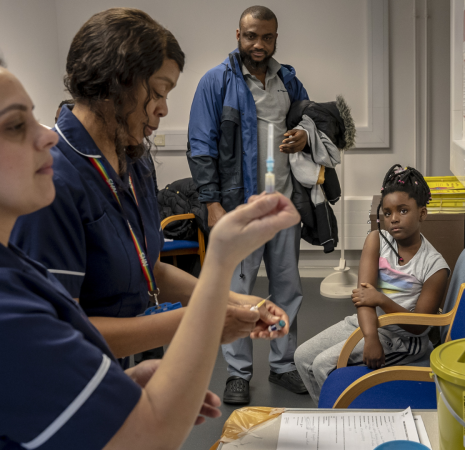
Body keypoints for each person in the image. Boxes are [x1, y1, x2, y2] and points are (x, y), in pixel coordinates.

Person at [0, 64, 300, 449]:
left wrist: (116, 386)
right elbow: (151, 434)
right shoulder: (11, 302)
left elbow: (142, 273)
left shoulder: (18, 268)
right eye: (14, 125)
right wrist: (219, 271)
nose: (47, 136)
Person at [11, 8, 289, 369]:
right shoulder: (52, 179)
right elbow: (62, 331)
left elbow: (151, 270)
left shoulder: (135, 160)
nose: (164, 110)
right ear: (116, 83)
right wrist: (198, 321)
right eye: (158, 92)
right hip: (72, 380)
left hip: (125, 368)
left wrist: (235, 300)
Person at [188, 5, 309, 403]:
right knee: (236, 291)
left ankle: (283, 364)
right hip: (240, 207)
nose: (259, 44)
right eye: (251, 36)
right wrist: (212, 204)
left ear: (276, 38)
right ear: (237, 35)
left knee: (287, 289)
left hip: (284, 205)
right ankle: (238, 373)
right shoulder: (216, 82)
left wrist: (304, 137)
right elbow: (201, 147)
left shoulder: (287, 80)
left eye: (267, 37)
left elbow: (311, 121)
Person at [295, 165, 450, 404]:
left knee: (322, 366)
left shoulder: (435, 266)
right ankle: (329, 416)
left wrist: (381, 300)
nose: (394, 219)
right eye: (387, 213)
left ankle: (339, 424)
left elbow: (419, 326)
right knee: (302, 357)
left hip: (404, 340)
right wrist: (370, 337)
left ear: (422, 213)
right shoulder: (376, 240)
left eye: (403, 210)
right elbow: (363, 297)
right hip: (370, 323)